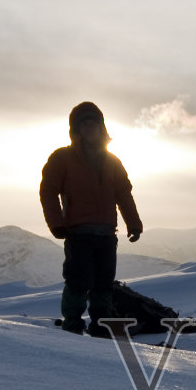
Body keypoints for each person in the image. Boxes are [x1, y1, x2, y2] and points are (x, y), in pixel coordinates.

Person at [39, 102, 143, 335]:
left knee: (104, 283)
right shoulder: (62, 158)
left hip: (106, 233)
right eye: (83, 125)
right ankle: (72, 325)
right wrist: (56, 223)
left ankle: (101, 327)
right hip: (78, 232)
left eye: (93, 124)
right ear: (75, 130)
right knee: (78, 281)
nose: (89, 129)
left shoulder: (112, 161)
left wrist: (134, 223)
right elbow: (48, 190)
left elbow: (123, 194)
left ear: (101, 127)